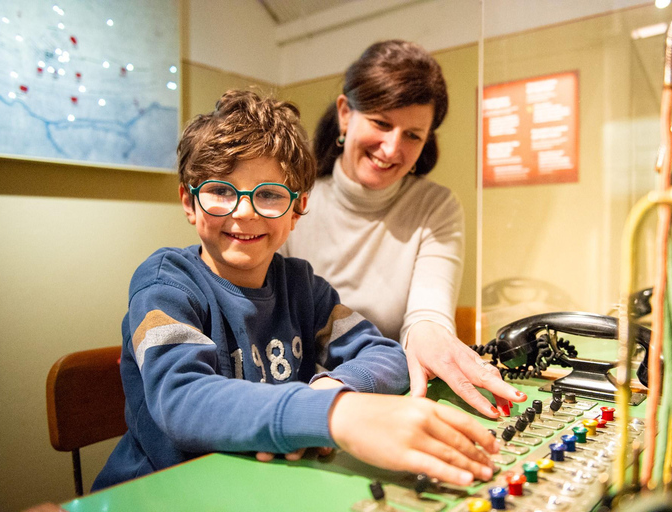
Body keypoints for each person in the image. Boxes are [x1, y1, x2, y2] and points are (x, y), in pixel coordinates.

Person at [93, 89, 499, 491]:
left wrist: (335, 386)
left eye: (269, 195)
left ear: (298, 209)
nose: (244, 211)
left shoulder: (304, 288)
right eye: (220, 191)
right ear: (189, 201)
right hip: (163, 493)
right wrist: (331, 414)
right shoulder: (166, 284)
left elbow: (385, 353)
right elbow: (181, 399)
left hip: (262, 491)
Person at [281, 40, 525, 418]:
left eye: (413, 135)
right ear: (346, 114)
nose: (392, 149)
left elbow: (427, 316)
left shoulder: (436, 207)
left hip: (384, 395)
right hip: (299, 402)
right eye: (381, 123)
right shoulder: (288, 200)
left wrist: (433, 337)